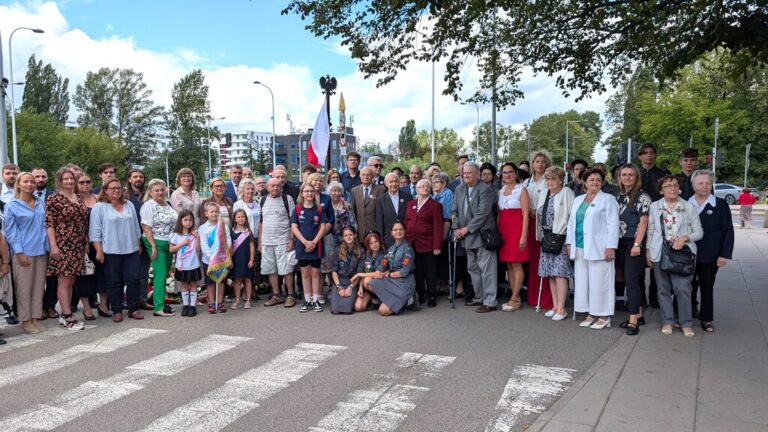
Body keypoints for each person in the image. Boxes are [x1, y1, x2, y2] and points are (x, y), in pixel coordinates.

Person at [646, 175, 704, 337]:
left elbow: (699, 232)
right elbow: (651, 230)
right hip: (660, 252)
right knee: (663, 289)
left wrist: (685, 238)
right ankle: (668, 321)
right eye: (668, 186)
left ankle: (686, 323)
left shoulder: (688, 207)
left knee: (683, 289)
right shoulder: (655, 206)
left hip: (682, 254)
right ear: (661, 190)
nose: (672, 188)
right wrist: (648, 251)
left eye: (675, 185)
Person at [567, 168, 620, 329]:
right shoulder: (578, 200)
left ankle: (603, 314)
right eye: (591, 180)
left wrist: (611, 246)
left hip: (600, 248)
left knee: (600, 282)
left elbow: (613, 224)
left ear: (602, 182)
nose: (595, 182)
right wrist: (569, 243)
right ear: (585, 182)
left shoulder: (608, 199)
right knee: (583, 282)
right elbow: (571, 223)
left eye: (598, 179)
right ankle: (590, 312)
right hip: (580, 246)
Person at [90, 178, 143, 323]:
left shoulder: (129, 205)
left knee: (133, 279)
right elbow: (95, 231)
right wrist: (99, 251)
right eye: (112, 188)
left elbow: (136, 227)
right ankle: (117, 310)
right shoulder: (99, 207)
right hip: (110, 250)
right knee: (114, 282)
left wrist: (138, 244)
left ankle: (133, 308)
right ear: (105, 190)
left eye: (119, 188)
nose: (116, 190)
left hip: (130, 249)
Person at [689, 170, 734, 333]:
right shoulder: (686, 204)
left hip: (711, 255)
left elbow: (728, 231)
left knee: (707, 286)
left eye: (708, 183)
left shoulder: (721, 205)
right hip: (689, 255)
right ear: (693, 185)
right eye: (700, 183)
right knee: (687, 287)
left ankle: (706, 318)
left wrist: (724, 254)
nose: (704, 186)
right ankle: (685, 316)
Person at [5, 172, 50, 334]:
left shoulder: (40, 203)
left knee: (38, 287)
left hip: (41, 251)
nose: (30, 184)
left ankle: (35, 317)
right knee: (24, 288)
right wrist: (19, 252)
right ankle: (25, 320)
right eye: (26, 181)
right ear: (19, 184)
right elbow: (11, 232)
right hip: (24, 252)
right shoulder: (12, 205)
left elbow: (46, 226)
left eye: (32, 181)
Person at [45, 168, 89, 329]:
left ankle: (65, 314)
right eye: (66, 179)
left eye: (71, 178)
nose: (69, 181)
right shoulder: (54, 199)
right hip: (63, 244)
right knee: (63, 281)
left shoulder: (79, 197)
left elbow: (82, 222)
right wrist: (53, 246)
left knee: (71, 281)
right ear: (59, 181)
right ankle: (68, 317)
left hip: (77, 244)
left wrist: (85, 241)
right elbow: (49, 224)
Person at [452, 161, 498, 313]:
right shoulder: (459, 188)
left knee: (487, 269)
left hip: (483, 235)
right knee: (472, 268)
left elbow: (483, 214)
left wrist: (466, 229)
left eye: (469, 173)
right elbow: (455, 211)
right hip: (466, 237)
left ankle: (490, 302)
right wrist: (456, 228)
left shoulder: (485, 189)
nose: (465, 175)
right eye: (464, 173)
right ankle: (479, 297)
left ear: (478, 174)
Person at [614, 164, 652, 335]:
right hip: (619, 242)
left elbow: (643, 221)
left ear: (636, 177)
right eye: (624, 175)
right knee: (631, 279)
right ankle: (639, 314)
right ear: (619, 177)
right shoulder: (618, 196)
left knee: (631, 281)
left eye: (631, 175)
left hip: (633, 242)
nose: (627, 177)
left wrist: (637, 245)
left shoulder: (642, 196)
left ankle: (633, 321)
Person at [536, 167, 575, 320]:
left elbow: (572, 217)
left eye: (553, 179)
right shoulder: (544, 193)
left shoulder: (567, 193)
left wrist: (569, 240)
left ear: (560, 180)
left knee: (560, 273)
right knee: (550, 273)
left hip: (561, 236)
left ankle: (561, 308)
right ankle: (554, 305)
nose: (550, 181)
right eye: (547, 179)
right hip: (546, 236)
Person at [73, 173, 111, 319]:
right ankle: (87, 308)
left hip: (103, 243)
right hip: (83, 245)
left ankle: (103, 306)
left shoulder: (99, 199)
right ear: (76, 184)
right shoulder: (74, 200)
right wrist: (83, 240)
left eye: (88, 181)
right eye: (81, 182)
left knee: (104, 274)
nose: (85, 184)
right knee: (85, 276)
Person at [637, 143, 671, 308]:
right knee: (638, 263)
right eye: (645, 153)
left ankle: (656, 297)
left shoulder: (662, 174)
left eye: (651, 152)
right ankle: (640, 298)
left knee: (657, 260)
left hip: (659, 219)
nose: (649, 156)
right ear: (640, 156)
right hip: (638, 220)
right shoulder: (636, 173)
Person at [140, 179, 178, 317]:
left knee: (165, 272)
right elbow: (146, 226)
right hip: (155, 242)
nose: (160, 192)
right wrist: (153, 246)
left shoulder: (167, 204)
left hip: (168, 242)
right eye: (156, 190)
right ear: (150, 192)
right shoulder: (148, 205)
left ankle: (161, 302)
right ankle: (158, 308)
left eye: (162, 189)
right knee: (160, 274)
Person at [404, 178, 444, 308]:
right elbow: (406, 222)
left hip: (428, 243)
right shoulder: (411, 204)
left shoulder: (435, 205)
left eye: (427, 186)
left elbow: (439, 227)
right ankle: (421, 294)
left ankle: (432, 295)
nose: (424, 188)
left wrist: (437, 246)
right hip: (412, 242)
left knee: (430, 271)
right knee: (418, 271)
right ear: (416, 189)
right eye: (421, 186)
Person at [259, 178, 297, 308]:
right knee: (271, 270)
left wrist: (291, 239)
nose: (275, 188)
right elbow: (261, 223)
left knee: (286, 270)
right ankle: (276, 295)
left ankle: (290, 295)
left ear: (281, 186)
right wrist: (260, 242)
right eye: (272, 185)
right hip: (267, 241)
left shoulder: (288, 199)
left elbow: (293, 222)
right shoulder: (262, 200)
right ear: (267, 187)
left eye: (277, 185)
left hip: (283, 241)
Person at [497, 162, 530, 312]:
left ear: (516, 173)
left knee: (517, 264)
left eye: (510, 172)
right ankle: (514, 295)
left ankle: (515, 298)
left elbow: (525, 215)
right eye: (504, 172)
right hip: (504, 231)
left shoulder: (521, 190)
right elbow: (499, 215)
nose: (507, 175)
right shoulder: (501, 191)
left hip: (517, 231)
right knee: (509, 265)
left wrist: (523, 235)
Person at [523, 151, 553, 311]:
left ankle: (547, 298)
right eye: (537, 161)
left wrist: (538, 211)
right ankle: (533, 296)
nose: (540, 164)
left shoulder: (548, 181)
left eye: (543, 161)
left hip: (544, 223)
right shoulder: (527, 182)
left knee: (544, 259)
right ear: (532, 164)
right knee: (533, 261)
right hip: (530, 222)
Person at [291, 183, 328, 313]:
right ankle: (307, 300)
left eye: (311, 191)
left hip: (316, 246)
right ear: (302, 193)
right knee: (305, 273)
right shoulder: (297, 209)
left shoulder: (319, 209)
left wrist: (313, 242)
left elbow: (323, 226)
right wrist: (305, 242)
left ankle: (316, 300)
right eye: (306, 191)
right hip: (302, 246)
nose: (309, 194)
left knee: (316, 273)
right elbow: (294, 227)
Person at [366, 222, 416, 316]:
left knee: (383, 311)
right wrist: (378, 271)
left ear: (404, 232)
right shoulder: (391, 249)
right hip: (392, 281)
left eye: (401, 229)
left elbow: (404, 272)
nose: (398, 231)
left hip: (403, 282)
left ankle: (409, 299)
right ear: (391, 233)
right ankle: (400, 301)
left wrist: (388, 274)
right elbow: (384, 263)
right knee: (371, 282)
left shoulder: (408, 249)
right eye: (395, 230)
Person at [306, 173, 335, 304]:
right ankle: (312, 293)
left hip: (325, 237)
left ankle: (323, 293)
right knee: (312, 266)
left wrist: (322, 233)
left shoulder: (326, 198)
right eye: (315, 181)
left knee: (324, 266)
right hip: (309, 239)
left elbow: (331, 218)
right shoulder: (304, 197)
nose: (318, 183)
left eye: (320, 181)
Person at [199, 201, 232, 313]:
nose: (214, 214)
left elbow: (228, 242)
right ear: (206, 213)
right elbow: (204, 245)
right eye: (211, 211)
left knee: (221, 281)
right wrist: (212, 258)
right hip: (208, 260)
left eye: (216, 211)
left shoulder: (223, 226)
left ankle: (220, 302)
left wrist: (221, 257)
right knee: (210, 282)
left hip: (221, 259)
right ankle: (211, 302)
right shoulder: (202, 228)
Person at [169, 210, 202, 317]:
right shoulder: (176, 235)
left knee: (193, 284)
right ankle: (185, 305)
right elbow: (171, 249)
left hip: (193, 264)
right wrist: (182, 243)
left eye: (190, 220)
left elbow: (198, 249)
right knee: (183, 285)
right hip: (182, 265)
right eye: (185, 220)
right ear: (180, 221)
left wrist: (197, 237)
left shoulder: (194, 234)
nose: (188, 222)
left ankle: (192, 306)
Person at [328, 226, 363, 314]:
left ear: (355, 235)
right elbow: (334, 271)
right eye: (346, 235)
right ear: (343, 237)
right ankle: (334, 292)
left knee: (347, 309)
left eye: (350, 234)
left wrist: (350, 288)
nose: (348, 237)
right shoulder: (338, 250)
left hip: (353, 282)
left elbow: (360, 272)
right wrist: (339, 287)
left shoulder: (361, 250)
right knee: (335, 310)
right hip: (340, 281)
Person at [431, 172, 455, 295]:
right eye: (433, 182)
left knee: (444, 258)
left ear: (444, 184)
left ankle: (444, 285)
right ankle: (440, 284)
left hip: (445, 231)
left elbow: (447, 217)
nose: (433, 184)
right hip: (436, 231)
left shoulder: (447, 194)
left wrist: (443, 237)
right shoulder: (436, 196)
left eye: (436, 182)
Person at [351, 232, 386, 312]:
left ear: (380, 242)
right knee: (358, 307)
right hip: (368, 287)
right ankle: (374, 298)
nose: (374, 244)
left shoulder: (385, 255)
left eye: (376, 242)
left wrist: (359, 274)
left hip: (381, 284)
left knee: (368, 280)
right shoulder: (366, 256)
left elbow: (378, 274)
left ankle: (380, 299)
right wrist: (360, 288)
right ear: (368, 245)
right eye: (371, 243)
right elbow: (364, 271)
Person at [377, 172, 411, 248]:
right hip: (388, 239)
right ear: (385, 183)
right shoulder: (380, 199)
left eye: (396, 181)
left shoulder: (407, 197)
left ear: (399, 183)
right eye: (391, 182)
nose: (394, 184)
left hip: (405, 237)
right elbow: (379, 221)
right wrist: (381, 240)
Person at [350, 167, 385, 243]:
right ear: (360, 176)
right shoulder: (354, 190)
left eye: (368, 175)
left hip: (374, 230)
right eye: (363, 175)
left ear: (373, 176)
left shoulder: (381, 190)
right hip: (360, 231)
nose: (365, 177)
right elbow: (354, 211)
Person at [230, 209, 255, 309]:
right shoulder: (232, 232)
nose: (241, 219)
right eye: (238, 217)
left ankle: (248, 299)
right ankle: (237, 300)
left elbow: (252, 246)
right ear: (235, 219)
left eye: (243, 217)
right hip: (236, 259)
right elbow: (230, 246)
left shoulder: (248, 232)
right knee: (237, 280)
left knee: (248, 279)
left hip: (246, 259)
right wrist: (230, 260)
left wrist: (252, 260)